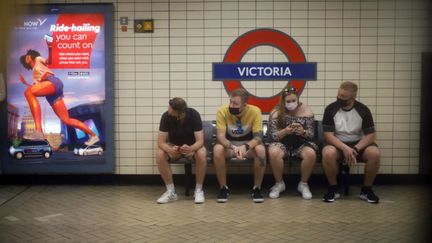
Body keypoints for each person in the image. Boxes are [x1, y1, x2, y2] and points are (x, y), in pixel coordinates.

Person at [18, 39, 99, 146]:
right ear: (26, 62)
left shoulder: (38, 59)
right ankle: (93, 135)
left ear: (32, 56)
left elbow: (49, 61)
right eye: (25, 57)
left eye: (28, 55)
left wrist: (50, 47)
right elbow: (37, 88)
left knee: (28, 93)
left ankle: (38, 131)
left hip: (52, 82)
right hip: (51, 94)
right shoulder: (34, 74)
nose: (27, 57)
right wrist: (26, 83)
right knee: (66, 119)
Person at [322, 81, 380, 203]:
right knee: (328, 153)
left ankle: (366, 190)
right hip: (338, 144)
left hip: (358, 145)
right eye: (338, 95)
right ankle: (334, 188)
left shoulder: (363, 110)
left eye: (343, 97)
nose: (339, 98)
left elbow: (371, 135)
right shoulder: (330, 109)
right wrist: (344, 148)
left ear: (353, 97)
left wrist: (356, 149)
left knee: (374, 153)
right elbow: (328, 136)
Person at [213, 88, 266, 203]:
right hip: (230, 145)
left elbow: (258, 137)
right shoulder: (222, 111)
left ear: (244, 105)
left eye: (235, 103)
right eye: (230, 101)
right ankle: (223, 188)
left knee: (261, 151)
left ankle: (257, 188)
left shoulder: (255, 111)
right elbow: (220, 137)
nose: (231, 105)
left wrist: (245, 147)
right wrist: (234, 148)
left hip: (248, 145)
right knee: (217, 150)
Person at [268, 87, 318, 200]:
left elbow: (311, 135)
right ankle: (279, 184)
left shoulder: (307, 111)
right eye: (288, 101)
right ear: (283, 102)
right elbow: (273, 136)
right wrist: (285, 131)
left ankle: (303, 184)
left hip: (302, 143)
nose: (291, 103)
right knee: (274, 152)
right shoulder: (276, 112)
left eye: (294, 101)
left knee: (310, 154)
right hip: (282, 143)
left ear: (298, 99)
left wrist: (303, 132)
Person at [156, 97, 207, 204]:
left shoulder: (194, 115)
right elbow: (161, 142)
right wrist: (170, 149)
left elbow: (200, 141)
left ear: (181, 113)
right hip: (174, 146)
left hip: (192, 146)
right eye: (169, 106)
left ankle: (198, 190)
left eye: (171, 108)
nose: (168, 110)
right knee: (160, 154)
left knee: (202, 153)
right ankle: (171, 192)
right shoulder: (166, 116)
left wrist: (191, 148)